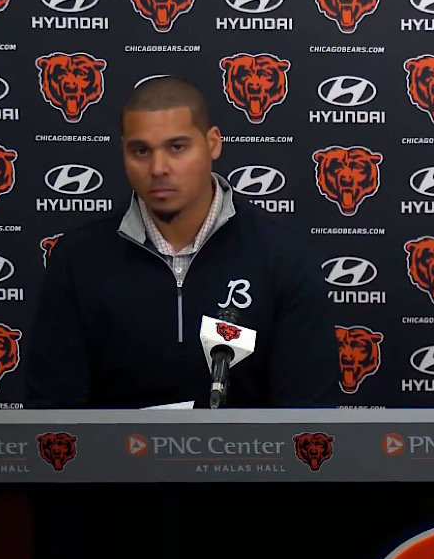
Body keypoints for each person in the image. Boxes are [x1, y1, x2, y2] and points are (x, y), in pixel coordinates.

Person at [23, 77, 340, 408]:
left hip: (247, 445)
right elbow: (53, 411)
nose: (158, 168)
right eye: (141, 151)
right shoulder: (78, 260)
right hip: (114, 445)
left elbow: (306, 414)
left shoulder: (284, 257)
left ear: (213, 144)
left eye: (177, 147)